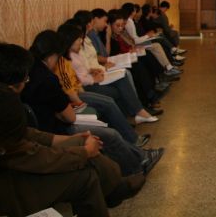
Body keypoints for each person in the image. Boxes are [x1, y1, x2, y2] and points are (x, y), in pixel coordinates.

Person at [0, 44, 145, 216]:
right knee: (85, 176)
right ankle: (117, 186)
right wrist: (84, 153)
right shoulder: (8, 104)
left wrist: (65, 141)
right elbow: (30, 157)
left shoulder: (8, 99)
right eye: (26, 80)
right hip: (8, 182)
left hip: (20, 159)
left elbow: (23, 135)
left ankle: (115, 187)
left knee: (83, 142)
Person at [21, 31, 163, 176]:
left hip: (42, 127)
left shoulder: (29, 69)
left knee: (107, 109)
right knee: (110, 133)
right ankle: (138, 165)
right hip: (55, 130)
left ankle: (140, 154)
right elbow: (70, 117)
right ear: (53, 55)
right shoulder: (48, 78)